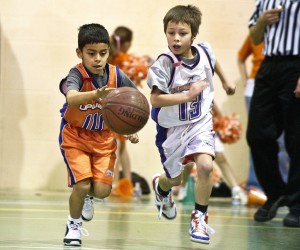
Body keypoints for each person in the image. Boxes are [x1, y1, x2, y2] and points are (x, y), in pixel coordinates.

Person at [147, 5, 236, 244]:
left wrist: (227, 82)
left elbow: (214, 62)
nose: (176, 38)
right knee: (175, 180)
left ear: (193, 35)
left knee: (206, 165)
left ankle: (200, 219)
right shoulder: (164, 64)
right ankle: (162, 187)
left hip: (200, 122)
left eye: (182, 33)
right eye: (171, 32)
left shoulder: (204, 50)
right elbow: (155, 99)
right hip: (171, 128)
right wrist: (187, 95)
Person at [58, 23, 139, 246]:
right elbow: (71, 97)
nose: (97, 59)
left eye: (103, 53)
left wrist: (130, 127)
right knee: (81, 185)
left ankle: (89, 198)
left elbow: (135, 100)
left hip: (104, 140)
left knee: (103, 191)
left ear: (108, 52)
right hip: (75, 137)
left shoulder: (116, 74)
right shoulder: (76, 74)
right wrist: (95, 94)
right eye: (91, 53)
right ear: (80, 53)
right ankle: (73, 225)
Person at [247, 1, 300, 227]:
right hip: (269, 67)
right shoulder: (264, 1)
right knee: (257, 135)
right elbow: (255, 37)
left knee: (296, 140)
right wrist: (261, 21)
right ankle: (276, 192)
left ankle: (297, 205)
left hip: (296, 66)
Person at [237, 35, 289, 190]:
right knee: (257, 138)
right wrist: (246, 80)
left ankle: (283, 185)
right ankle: (255, 185)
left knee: (281, 140)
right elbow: (240, 57)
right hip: (255, 88)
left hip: (279, 86)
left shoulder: (288, 35)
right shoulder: (257, 31)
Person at [177, 104, 247, 206]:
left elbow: (214, 105)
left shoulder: (205, 90)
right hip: (189, 129)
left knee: (221, 158)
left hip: (207, 128)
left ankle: (236, 189)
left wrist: (223, 124)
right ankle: (183, 187)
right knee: (188, 164)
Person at [108, 26, 150, 194]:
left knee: (120, 147)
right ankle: (118, 183)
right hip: (120, 108)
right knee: (118, 148)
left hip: (112, 106)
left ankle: (123, 184)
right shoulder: (123, 59)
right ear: (127, 44)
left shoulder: (109, 57)